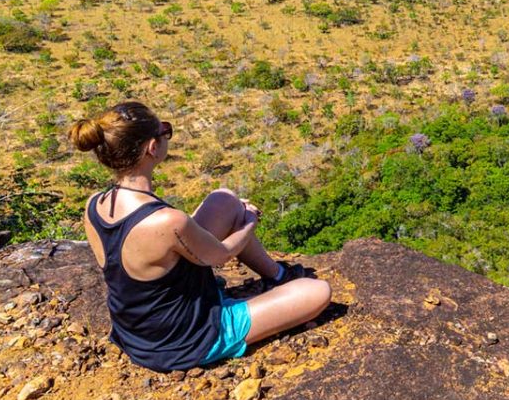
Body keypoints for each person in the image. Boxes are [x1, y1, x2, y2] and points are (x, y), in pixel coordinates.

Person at [68, 100, 332, 372]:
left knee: (225, 199)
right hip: (185, 340)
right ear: (152, 147)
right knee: (318, 291)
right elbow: (223, 254)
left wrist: (235, 213)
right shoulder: (167, 221)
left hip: (136, 332)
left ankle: (277, 275)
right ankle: (244, 310)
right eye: (165, 131)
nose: (167, 136)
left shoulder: (94, 205)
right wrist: (249, 222)